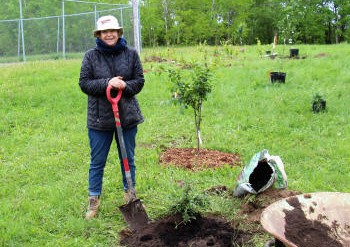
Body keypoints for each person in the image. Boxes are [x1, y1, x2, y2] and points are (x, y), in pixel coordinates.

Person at [79, 15, 145, 220]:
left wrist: (125, 86)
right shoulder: (91, 56)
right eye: (104, 31)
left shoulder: (131, 54)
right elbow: (85, 83)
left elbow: (139, 81)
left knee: (128, 159)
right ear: (99, 34)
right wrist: (108, 82)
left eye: (113, 31)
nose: (109, 34)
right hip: (99, 120)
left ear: (118, 32)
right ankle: (93, 201)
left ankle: (130, 196)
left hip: (127, 117)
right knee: (97, 161)